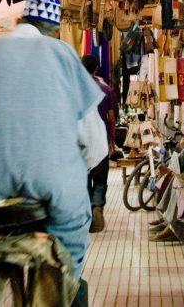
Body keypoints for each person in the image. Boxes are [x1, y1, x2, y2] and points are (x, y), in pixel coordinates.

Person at [0, 0, 108, 285]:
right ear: (54, 28)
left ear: (20, 21)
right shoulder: (64, 55)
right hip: (53, 188)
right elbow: (95, 144)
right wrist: (66, 168)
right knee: (71, 247)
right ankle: (63, 288)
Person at [80, 54, 118, 233]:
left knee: (84, 180)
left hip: (79, 144)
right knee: (100, 180)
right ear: (96, 69)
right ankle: (97, 207)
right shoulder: (105, 89)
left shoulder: (73, 88)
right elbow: (111, 118)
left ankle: (88, 214)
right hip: (100, 141)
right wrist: (112, 139)